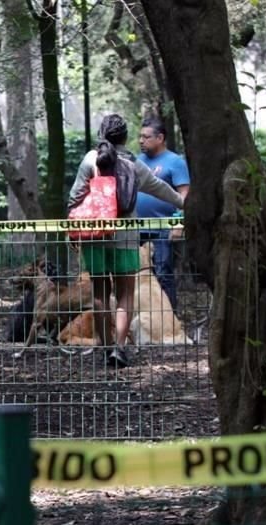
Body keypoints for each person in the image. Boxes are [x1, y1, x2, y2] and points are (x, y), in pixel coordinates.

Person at [68, 114, 184, 368]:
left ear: (102, 135)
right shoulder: (134, 164)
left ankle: (105, 346)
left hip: (94, 233)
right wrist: (186, 204)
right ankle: (119, 349)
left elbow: (75, 196)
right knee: (125, 294)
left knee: (99, 293)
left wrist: (72, 228)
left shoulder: (91, 160)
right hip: (126, 235)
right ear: (125, 137)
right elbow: (160, 189)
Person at [136, 116, 190, 309]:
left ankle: (169, 317)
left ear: (160, 138)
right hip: (135, 228)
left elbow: (185, 194)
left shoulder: (175, 162)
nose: (141, 141)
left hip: (162, 228)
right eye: (139, 137)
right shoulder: (137, 161)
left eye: (146, 137)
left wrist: (178, 222)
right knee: (135, 274)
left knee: (163, 273)